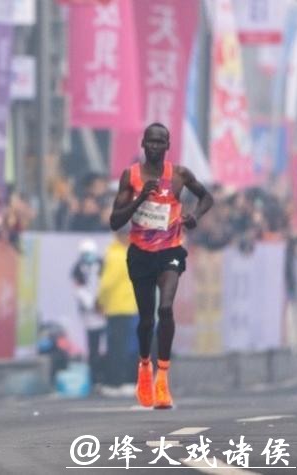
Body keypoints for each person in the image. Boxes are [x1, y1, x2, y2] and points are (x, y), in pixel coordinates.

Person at [109, 122, 213, 409]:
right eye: (150, 142)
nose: (155, 146)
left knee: (165, 308)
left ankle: (162, 378)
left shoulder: (179, 175)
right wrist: (140, 198)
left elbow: (207, 197)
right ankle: (145, 366)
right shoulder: (130, 176)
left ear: (168, 146)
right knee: (146, 320)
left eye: (160, 142)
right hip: (141, 253)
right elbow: (115, 221)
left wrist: (194, 216)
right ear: (143, 144)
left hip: (170, 250)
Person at [96, 224, 138, 397]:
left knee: (116, 347)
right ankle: (118, 382)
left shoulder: (116, 254)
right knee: (119, 347)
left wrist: (100, 301)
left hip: (118, 307)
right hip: (122, 307)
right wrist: (101, 301)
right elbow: (108, 284)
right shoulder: (119, 255)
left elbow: (106, 284)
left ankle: (116, 382)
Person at [70, 239, 106, 388]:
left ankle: (107, 376)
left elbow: (106, 284)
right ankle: (95, 378)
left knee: (109, 344)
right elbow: (79, 290)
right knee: (93, 345)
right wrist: (92, 305)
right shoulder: (77, 269)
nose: (88, 257)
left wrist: (102, 303)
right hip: (89, 314)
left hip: (105, 310)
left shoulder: (103, 265)